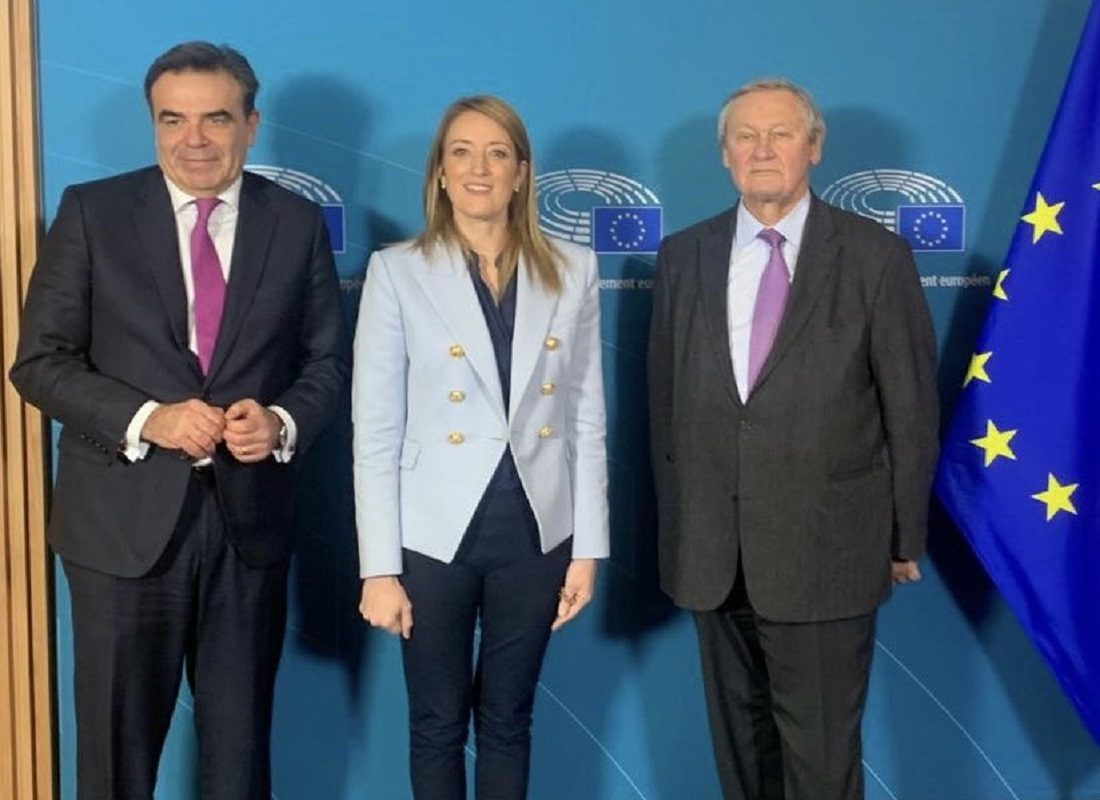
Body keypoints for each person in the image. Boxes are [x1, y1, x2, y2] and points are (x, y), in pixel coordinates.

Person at [10, 41, 348, 799]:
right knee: (114, 757)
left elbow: (326, 365)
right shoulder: (92, 214)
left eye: (216, 119)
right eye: (174, 119)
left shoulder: (295, 224)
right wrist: (148, 418)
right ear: (154, 124)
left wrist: (283, 423)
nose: (194, 139)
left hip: (247, 528)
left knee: (237, 758)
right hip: (119, 528)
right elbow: (41, 363)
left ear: (251, 125)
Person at [647, 77, 938, 799]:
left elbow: (910, 407)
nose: (763, 149)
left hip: (826, 551)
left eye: (779, 133)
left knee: (819, 763)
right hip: (714, 555)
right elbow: (664, 410)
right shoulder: (684, 257)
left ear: (814, 146)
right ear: (724, 155)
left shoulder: (875, 257)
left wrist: (904, 536)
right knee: (741, 758)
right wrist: (681, 534)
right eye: (745, 136)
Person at [353, 94, 609, 800]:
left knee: (508, 720)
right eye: (461, 152)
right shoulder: (397, 271)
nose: (479, 168)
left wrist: (588, 547)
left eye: (498, 153)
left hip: (535, 530)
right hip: (432, 535)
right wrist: (378, 568)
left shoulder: (574, 268)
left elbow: (587, 415)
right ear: (438, 173)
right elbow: (374, 428)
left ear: (522, 173)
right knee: (436, 723)